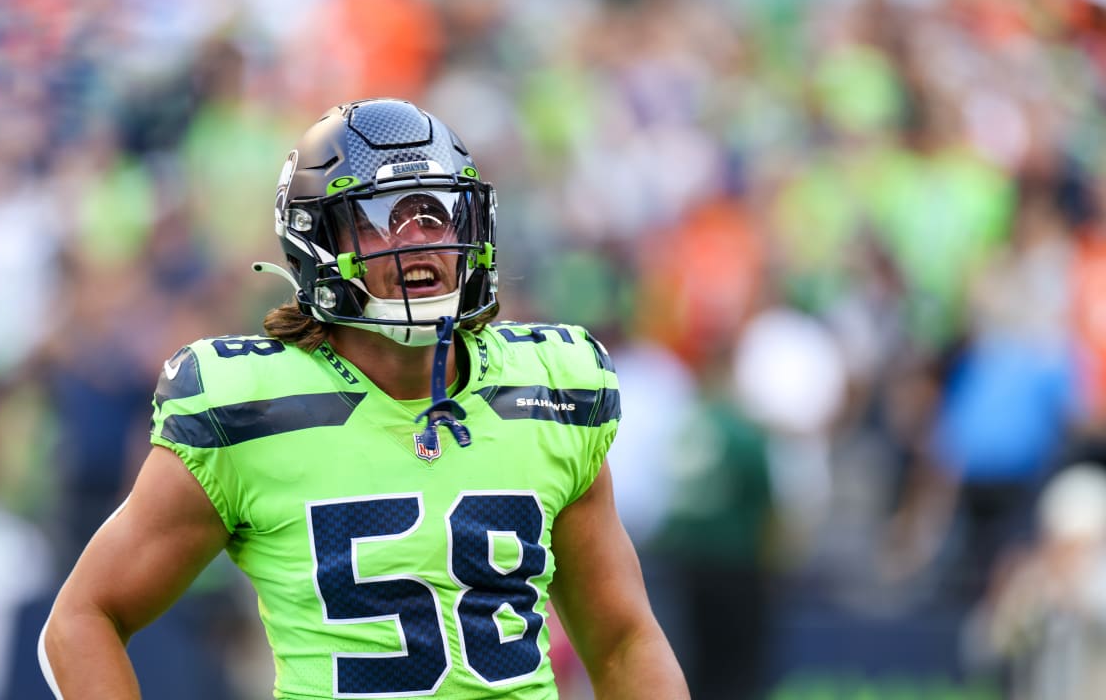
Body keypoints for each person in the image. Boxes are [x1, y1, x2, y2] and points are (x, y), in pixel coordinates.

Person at [38, 98, 688, 699]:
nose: (421, 238)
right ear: (318, 243)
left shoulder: (552, 387)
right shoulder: (249, 408)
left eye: (438, 211)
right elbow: (82, 618)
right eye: (384, 219)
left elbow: (624, 641)